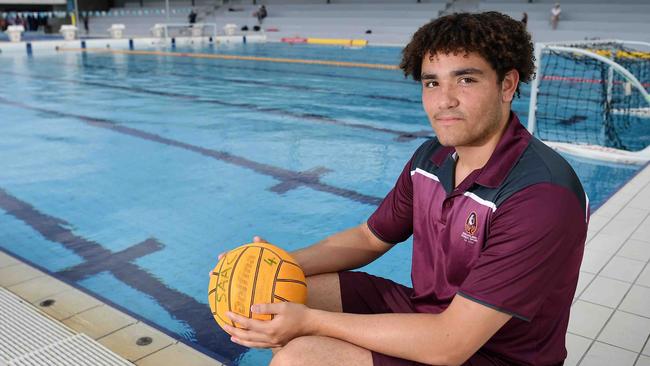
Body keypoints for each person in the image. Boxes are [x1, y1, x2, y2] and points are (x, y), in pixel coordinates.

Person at [222, 11, 588, 366]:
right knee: (281, 290)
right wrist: (270, 264)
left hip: (494, 355)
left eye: (465, 80)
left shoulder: (541, 195)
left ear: (507, 84)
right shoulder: (431, 159)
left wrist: (310, 323)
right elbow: (369, 238)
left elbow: (451, 344)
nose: (444, 100)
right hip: (424, 313)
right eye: (432, 83)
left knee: (300, 358)